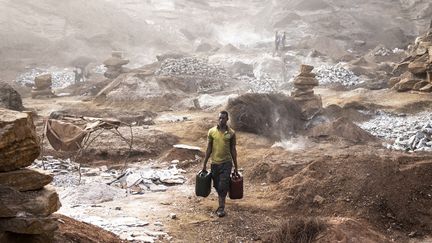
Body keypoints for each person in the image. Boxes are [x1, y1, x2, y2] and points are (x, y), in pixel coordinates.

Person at [202, 111, 238, 217]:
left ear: (227, 119)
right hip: (214, 163)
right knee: (217, 186)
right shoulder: (211, 131)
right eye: (220, 118)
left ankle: (221, 208)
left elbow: (233, 150)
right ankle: (221, 199)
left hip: (226, 163)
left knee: (223, 185)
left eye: (223, 118)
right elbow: (209, 148)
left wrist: (236, 166)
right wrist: (204, 163)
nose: (221, 120)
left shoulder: (231, 133)